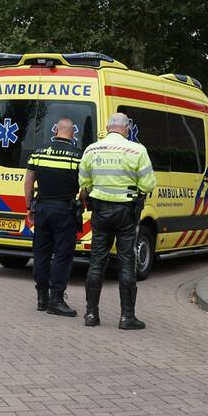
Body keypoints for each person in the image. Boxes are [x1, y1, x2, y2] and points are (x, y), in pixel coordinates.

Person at [78, 112, 158, 330]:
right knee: (126, 262)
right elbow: (148, 184)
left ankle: (91, 314)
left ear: (107, 127)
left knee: (97, 262)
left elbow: (84, 182)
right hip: (127, 212)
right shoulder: (137, 150)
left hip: (100, 211)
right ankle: (126, 317)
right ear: (127, 128)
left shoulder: (91, 149)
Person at [24, 117, 82, 317]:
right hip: (65, 210)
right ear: (72, 133)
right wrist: (82, 201)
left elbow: (28, 182)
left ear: (56, 130)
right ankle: (56, 299)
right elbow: (84, 185)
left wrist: (29, 207)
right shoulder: (77, 156)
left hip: (42, 209)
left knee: (41, 253)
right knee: (63, 255)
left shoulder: (38, 152)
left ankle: (41, 298)